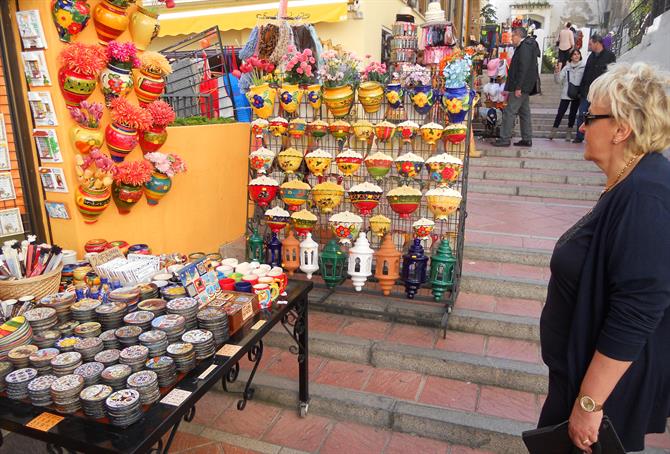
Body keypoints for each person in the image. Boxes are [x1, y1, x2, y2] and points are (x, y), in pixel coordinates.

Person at [538, 62, 670, 453]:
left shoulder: (646, 195)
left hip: (604, 392)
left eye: (589, 117)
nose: (581, 126)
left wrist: (590, 402)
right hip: (581, 376)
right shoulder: (631, 183)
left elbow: (639, 307)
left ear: (621, 128)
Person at [492, 27, 540, 147]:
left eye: (513, 36)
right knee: (524, 112)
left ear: (518, 35)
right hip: (526, 85)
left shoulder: (524, 47)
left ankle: (505, 138)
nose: (511, 38)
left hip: (520, 86)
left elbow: (523, 68)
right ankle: (527, 138)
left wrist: (519, 87)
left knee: (509, 112)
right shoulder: (527, 46)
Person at [573, 34, 616, 143]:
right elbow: (586, 73)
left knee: (595, 116)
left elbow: (612, 74)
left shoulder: (609, 56)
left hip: (600, 92)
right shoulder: (591, 56)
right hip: (587, 91)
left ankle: (593, 137)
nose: (589, 45)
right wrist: (581, 89)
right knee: (582, 114)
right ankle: (580, 136)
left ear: (597, 43)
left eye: (591, 43)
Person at [550, 49, 585, 141]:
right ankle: (553, 131)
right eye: (574, 54)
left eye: (578, 54)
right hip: (566, 93)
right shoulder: (566, 68)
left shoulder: (584, 67)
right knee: (560, 113)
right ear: (571, 57)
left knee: (572, 114)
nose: (576, 56)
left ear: (580, 56)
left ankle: (568, 133)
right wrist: (557, 72)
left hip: (577, 94)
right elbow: (558, 81)